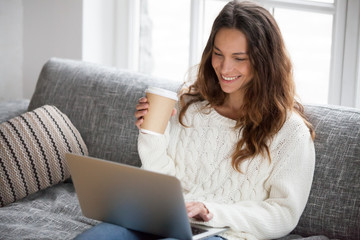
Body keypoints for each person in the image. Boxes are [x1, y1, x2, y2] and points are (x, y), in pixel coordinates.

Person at [76, 1, 316, 239]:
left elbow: (283, 213)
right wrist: (152, 133)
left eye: (239, 58)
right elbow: (161, 177)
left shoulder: (289, 132)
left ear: (264, 61)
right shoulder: (191, 106)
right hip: (160, 218)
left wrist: (211, 211)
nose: (224, 68)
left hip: (224, 233)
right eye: (218, 54)